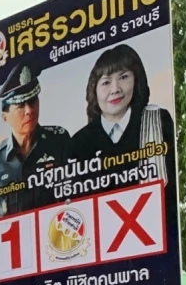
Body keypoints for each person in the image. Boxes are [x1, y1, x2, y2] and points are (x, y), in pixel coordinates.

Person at [0, 64, 70, 235]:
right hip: (18, 254)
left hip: (57, 246)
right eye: (20, 105)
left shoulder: (59, 142)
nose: (29, 110)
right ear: (5, 117)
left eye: (33, 101)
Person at [68, 43, 176, 189]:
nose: (115, 89)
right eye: (106, 82)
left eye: (123, 77)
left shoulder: (157, 122)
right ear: (94, 90)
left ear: (136, 79)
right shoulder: (78, 144)